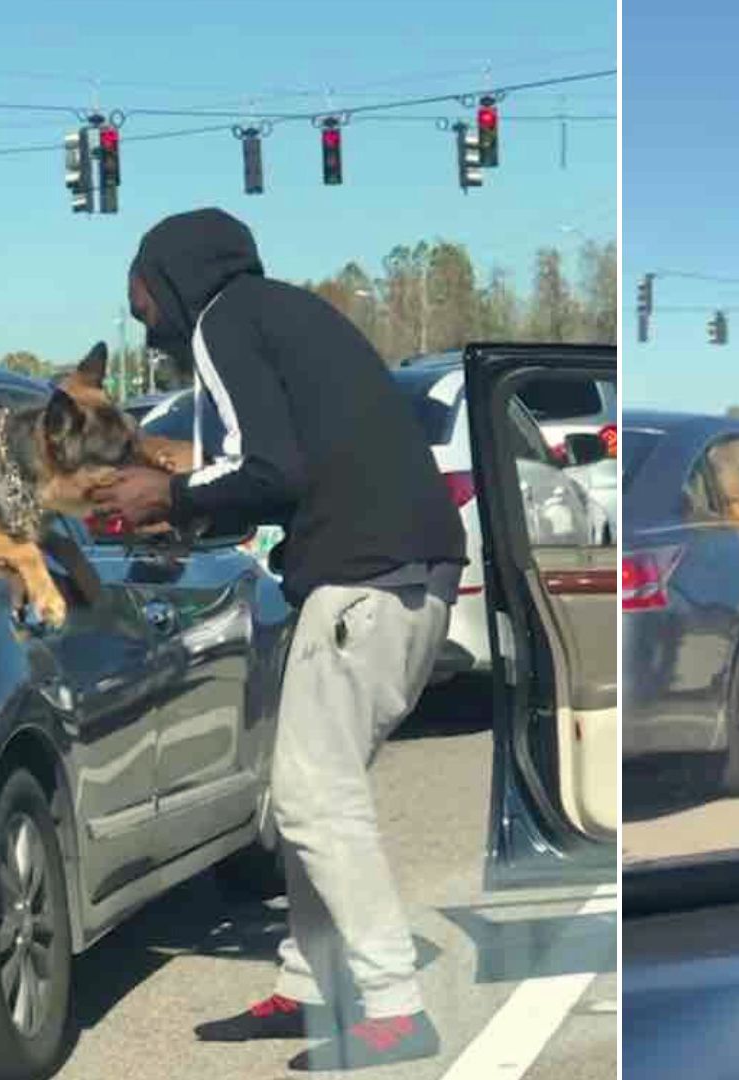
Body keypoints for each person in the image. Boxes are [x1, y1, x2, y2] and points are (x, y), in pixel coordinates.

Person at [91, 208, 466, 1071]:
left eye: (140, 297)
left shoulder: (225, 320)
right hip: (405, 574)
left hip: (364, 581)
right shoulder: (283, 314)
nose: (143, 322)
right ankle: (307, 987)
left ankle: (394, 1007)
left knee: (311, 797)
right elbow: (287, 474)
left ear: (175, 277)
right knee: (308, 790)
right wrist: (186, 511)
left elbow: (269, 467)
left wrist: (166, 496)